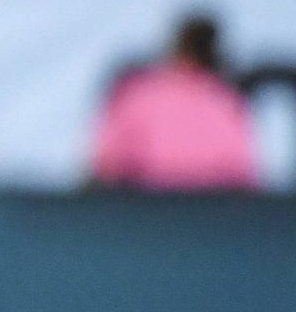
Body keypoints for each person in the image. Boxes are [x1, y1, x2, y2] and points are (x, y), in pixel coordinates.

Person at [89, 13, 261, 191]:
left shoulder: (139, 93)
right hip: (208, 208)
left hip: (147, 207)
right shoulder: (226, 99)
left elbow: (106, 165)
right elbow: (244, 177)